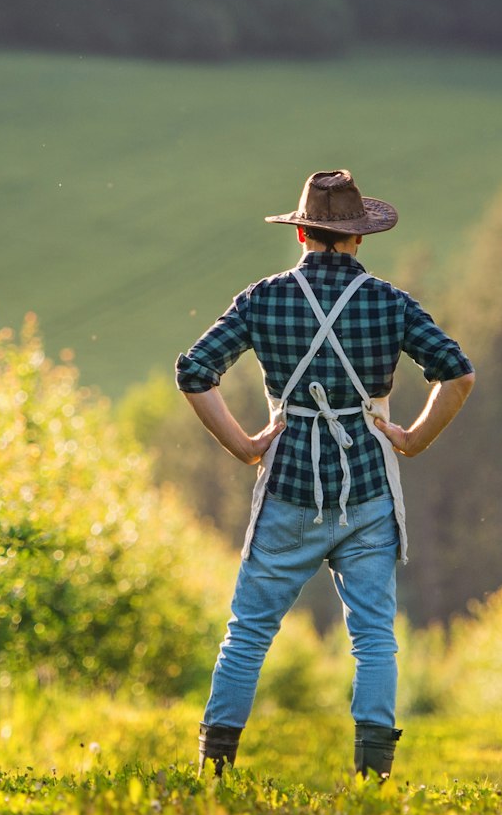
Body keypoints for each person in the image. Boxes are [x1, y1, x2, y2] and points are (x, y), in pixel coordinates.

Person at [175, 169, 475, 781]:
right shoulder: (390, 303)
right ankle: (373, 774)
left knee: (248, 633)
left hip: (286, 487)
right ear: (359, 238)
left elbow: (194, 371)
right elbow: (458, 374)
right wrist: (413, 439)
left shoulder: (263, 298)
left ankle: (215, 770)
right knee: (373, 638)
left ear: (301, 233)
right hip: (367, 491)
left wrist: (244, 445)